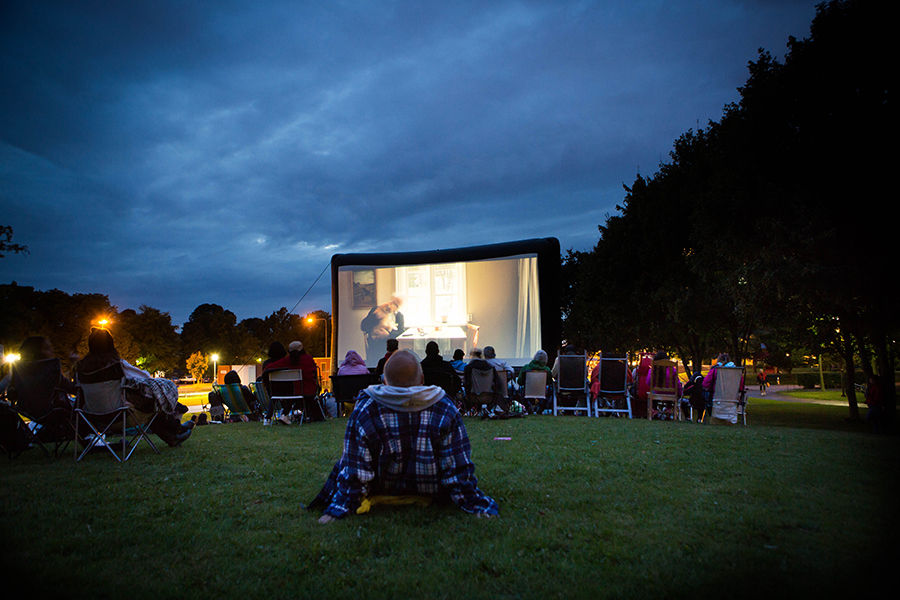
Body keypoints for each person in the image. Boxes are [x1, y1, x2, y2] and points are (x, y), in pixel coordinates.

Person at [308, 350, 499, 522]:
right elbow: (457, 465)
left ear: (384, 381)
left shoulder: (366, 409)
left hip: (382, 488)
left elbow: (355, 468)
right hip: (433, 489)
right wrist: (472, 502)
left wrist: (342, 505)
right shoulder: (444, 408)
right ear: (422, 379)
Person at [74, 329, 191, 447]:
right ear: (111, 345)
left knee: (148, 403)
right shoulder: (116, 366)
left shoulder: (81, 370)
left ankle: (174, 435)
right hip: (121, 416)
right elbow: (144, 377)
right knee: (153, 403)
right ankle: (176, 430)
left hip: (95, 419)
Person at [262, 341, 321, 423]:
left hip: (294, 391)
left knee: (291, 391)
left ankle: (284, 414)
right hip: (309, 390)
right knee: (297, 391)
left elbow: (269, 367)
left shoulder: (287, 361)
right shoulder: (308, 359)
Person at [361, 295, 405, 362]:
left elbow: (401, 332)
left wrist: (388, 335)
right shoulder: (377, 310)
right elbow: (363, 326)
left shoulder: (399, 315)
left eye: (396, 305)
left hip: (390, 344)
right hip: (375, 343)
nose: (393, 306)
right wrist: (375, 316)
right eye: (393, 302)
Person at [517, 350, 553, 414]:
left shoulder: (526, 368)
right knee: (550, 389)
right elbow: (549, 382)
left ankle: (528, 407)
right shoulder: (547, 370)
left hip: (527, 391)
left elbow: (519, 382)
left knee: (521, 389)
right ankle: (540, 407)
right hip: (542, 392)